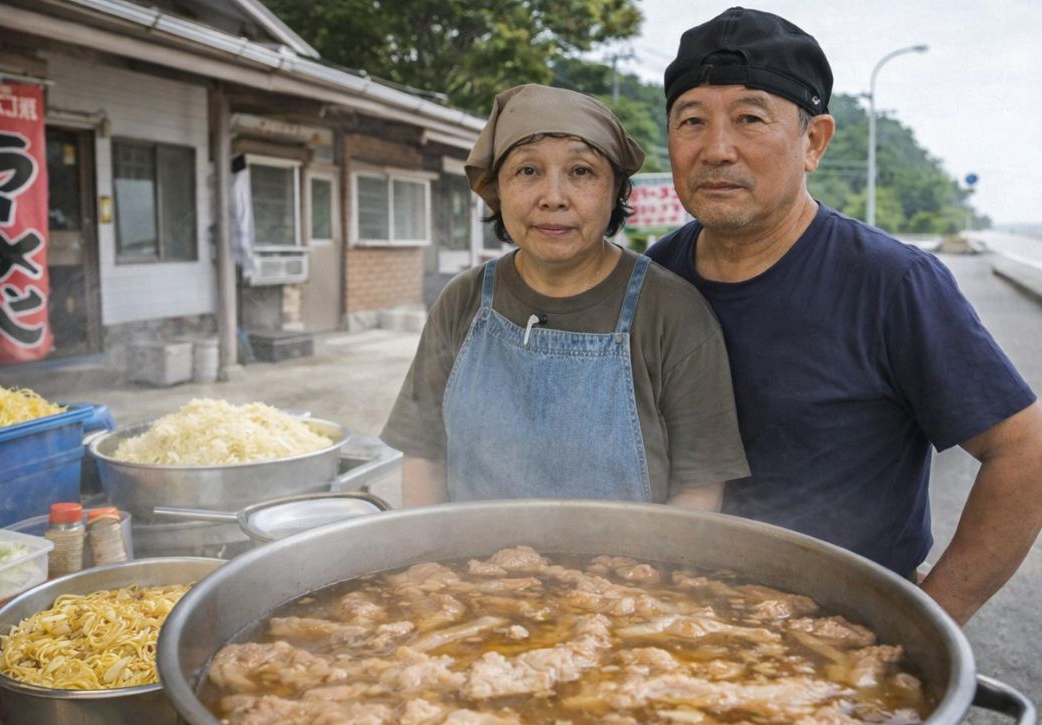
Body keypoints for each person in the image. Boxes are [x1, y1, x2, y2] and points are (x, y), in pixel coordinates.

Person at [647, 7, 1042, 624]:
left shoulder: (891, 283)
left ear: (814, 142)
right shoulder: (654, 276)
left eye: (750, 118)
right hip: (670, 616)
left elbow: (1024, 451)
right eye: (691, 120)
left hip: (841, 633)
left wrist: (927, 622)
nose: (716, 149)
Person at [381, 84, 750, 510]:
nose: (553, 198)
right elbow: (425, 455)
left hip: (630, 554)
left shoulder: (672, 312)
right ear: (496, 188)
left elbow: (699, 488)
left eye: (581, 171)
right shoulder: (462, 301)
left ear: (616, 190)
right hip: (472, 553)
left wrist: (649, 558)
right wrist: (434, 548)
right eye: (527, 171)